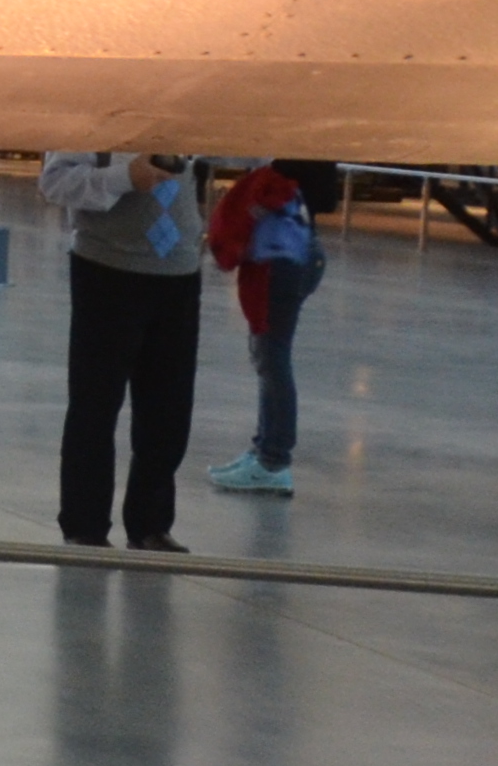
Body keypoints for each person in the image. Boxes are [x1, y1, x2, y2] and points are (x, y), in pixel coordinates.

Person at [42, 151, 206, 549]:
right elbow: (55, 182)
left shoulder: (190, 106)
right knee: (95, 403)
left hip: (178, 272)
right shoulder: (100, 106)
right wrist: (123, 177)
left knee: (168, 410)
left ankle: (151, 524)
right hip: (108, 269)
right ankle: (85, 526)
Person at [207, 158, 329, 495]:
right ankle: (265, 451)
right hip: (297, 251)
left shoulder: (280, 174)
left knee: (272, 358)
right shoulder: (289, 177)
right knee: (268, 357)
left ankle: (273, 460)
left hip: (280, 260)